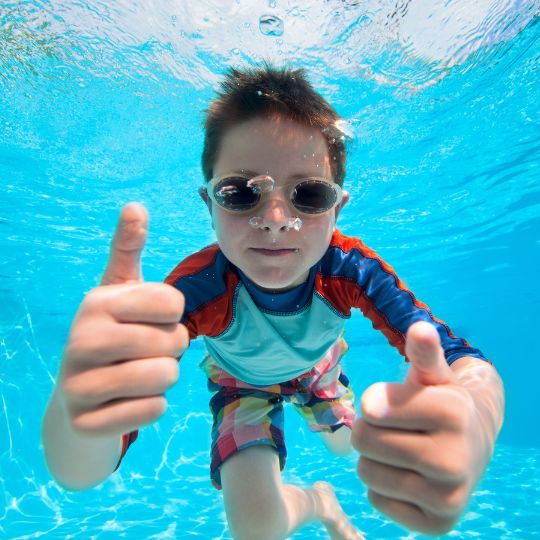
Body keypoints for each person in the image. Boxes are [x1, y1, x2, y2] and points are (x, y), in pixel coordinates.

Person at [41, 64, 505, 540]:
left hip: (317, 369)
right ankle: (320, 502)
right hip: (240, 382)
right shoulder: (196, 289)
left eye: (309, 194)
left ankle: (329, 460)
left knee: (352, 445)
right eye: (241, 193)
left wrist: (479, 414)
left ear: (337, 208)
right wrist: (79, 414)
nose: (277, 219)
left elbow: (459, 358)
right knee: (256, 530)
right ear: (209, 205)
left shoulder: (350, 269)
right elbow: (80, 474)